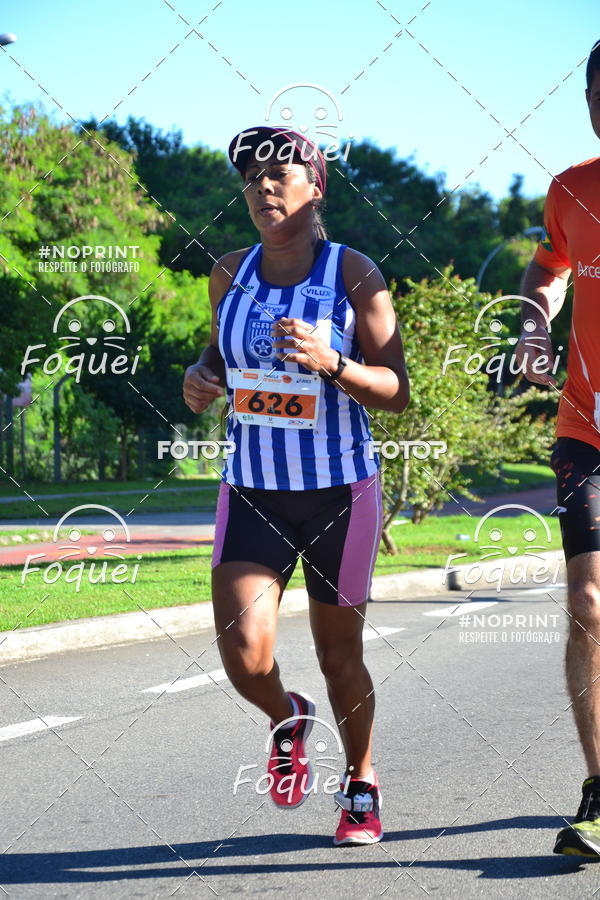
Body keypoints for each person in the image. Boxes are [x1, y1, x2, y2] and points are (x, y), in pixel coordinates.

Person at [183, 126, 409, 845]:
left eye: (280, 173)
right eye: (250, 177)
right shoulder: (229, 272)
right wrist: (200, 379)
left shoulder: (354, 273)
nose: (263, 186)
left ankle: (361, 781)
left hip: (340, 491)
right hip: (254, 489)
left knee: (341, 655)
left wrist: (333, 362)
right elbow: (219, 359)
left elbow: (396, 389)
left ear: (317, 187)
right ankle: (288, 716)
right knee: (244, 654)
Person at [516, 40, 600, 857]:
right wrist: (536, 321)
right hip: (587, 429)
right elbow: (549, 270)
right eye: (598, 93)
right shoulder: (572, 188)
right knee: (589, 605)